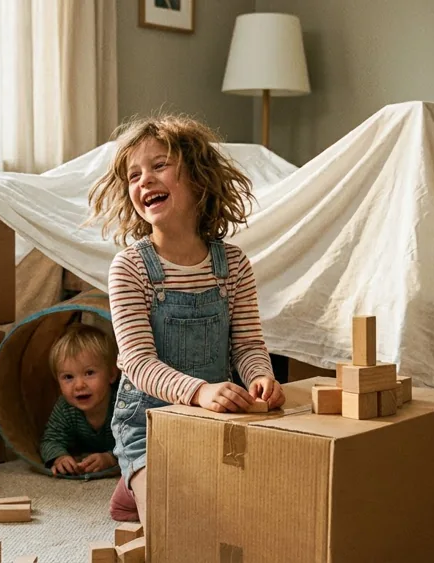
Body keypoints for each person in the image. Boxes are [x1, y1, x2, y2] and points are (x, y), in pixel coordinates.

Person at [88, 114, 285, 527]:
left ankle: (130, 489)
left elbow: (247, 345)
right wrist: (199, 391)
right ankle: (136, 474)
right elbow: (137, 362)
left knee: (252, 513)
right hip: (147, 424)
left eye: (159, 166)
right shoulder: (129, 268)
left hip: (213, 418)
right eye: (134, 175)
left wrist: (260, 377)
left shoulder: (234, 264)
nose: (144, 180)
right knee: (176, 529)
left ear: (199, 177)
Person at [39, 323, 119, 477]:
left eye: (89, 373)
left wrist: (111, 458)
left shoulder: (122, 403)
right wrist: (59, 457)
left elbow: (139, 441)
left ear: (111, 374)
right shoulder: (65, 407)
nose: (79, 385)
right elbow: (50, 440)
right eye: (68, 377)